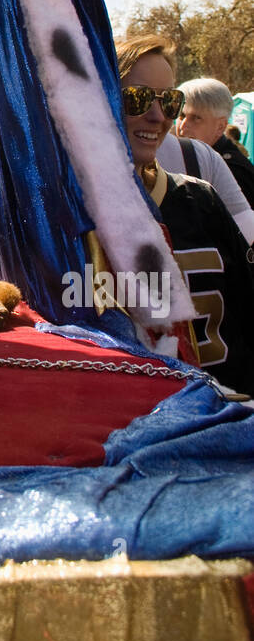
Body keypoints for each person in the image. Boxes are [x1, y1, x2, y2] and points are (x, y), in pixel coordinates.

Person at [116, 36, 254, 395]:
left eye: (169, 101)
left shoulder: (201, 198)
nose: (158, 116)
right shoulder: (70, 216)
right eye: (137, 98)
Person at [177, 78, 254, 209]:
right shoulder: (187, 155)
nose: (183, 126)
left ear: (220, 126)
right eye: (181, 115)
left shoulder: (233, 170)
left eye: (196, 118)